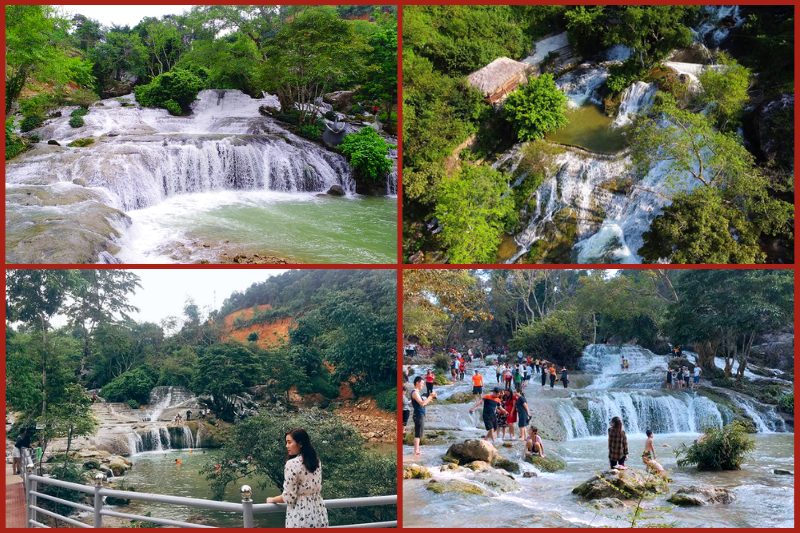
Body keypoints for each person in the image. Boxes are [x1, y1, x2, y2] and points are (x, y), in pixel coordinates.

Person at [266, 429, 329, 528]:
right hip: (319, 512)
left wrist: (272, 499)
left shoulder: (292, 464)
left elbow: (289, 497)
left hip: (300, 515)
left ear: (300, 443)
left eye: (289, 442)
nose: (287, 446)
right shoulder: (316, 461)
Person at [410, 376, 437, 456]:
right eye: (422, 383)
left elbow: (424, 402)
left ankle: (417, 450)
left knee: (419, 433)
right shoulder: (415, 392)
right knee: (418, 433)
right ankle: (416, 451)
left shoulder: (417, 392)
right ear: (417, 383)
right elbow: (422, 403)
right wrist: (430, 396)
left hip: (420, 414)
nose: (423, 385)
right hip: (418, 414)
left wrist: (431, 398)